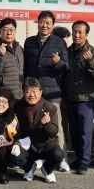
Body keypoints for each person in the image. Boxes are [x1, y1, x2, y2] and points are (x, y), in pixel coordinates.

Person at [23, 10, 69, 171]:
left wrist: (59, 63)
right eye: (42, 22)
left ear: (52, 25)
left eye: (48, 23)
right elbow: (26, 66)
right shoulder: (29, 41)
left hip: (52, 90)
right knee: (32, 125)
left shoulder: (59, 42)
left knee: (56, 126)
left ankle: (61, 158)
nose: (44, 25)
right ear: (38, 23)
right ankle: (31, 158)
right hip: (33, 92)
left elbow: (66, 66)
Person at [63, 20, 94, 174]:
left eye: (80, 32)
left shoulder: (93, 52)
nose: (77, 35)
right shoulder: (68, 51)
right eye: (74, 32)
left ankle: (85, 162)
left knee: (85, 132)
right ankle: (78, 158)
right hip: (70, 97)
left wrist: (89, 61)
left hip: (86, 99)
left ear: (86, 34)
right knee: (74, 131)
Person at [13, 77, 64, 183]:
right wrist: (17, 143)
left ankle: (47, 170)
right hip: (28, 146)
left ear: (40, 92)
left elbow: (53, 132)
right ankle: (29, 168)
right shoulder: (17, 106)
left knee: (58, 155)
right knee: (14, 155)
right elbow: (15, 129)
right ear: (23, 92)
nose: (31, 95)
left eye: (34, 91)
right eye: (28, 91)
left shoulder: (50, 108)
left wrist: (47, 124)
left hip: (45, 145)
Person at [0, 18, 25, 102]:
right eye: (5, 30)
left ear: (15, 31)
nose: (8, 33)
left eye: (11, 30)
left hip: (19, 95)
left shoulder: (19, 48)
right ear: (0, 32)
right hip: (3, 97)